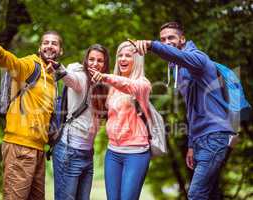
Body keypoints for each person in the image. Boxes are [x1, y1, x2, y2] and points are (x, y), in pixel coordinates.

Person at [132, 21, 235, 199]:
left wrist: (152, 45)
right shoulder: (179, 70)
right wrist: (191, 145)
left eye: (171, 37)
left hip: (215, 136)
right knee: (211, 194)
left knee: (196, 195)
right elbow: (192, 110)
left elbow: (182, 57)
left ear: (182, 39)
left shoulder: (198, 58)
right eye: (162, 39)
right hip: (201, 139)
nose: (166, 41)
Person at [0, 30, 63, 200]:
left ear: (60, 51)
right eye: (46, 42)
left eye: (54, 43)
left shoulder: (52, 77)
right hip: (19, 146)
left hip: (38, 150)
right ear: (40, 47)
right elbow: (14, 64)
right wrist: (1, 53)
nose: (49, 46)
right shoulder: (31, 65)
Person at [90, 41, 152, 200]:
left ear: (136, 60)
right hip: (113, 153)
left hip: (136, 153)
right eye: (120, 55)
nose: (123, 59)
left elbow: (128, 86)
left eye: (128, 55)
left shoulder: (143, 84)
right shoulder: (111, 86)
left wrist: (105, 77)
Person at [52, 44, 110, 200]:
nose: (95, 64)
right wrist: (58, 67)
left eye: (100, 61)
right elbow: (69, 78)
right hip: (69, 152)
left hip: (87, 154)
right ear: (86, 60)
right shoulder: (81, 77)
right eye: (91, 59)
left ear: (105, 64)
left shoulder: (103, 86)